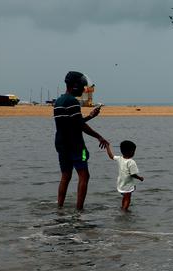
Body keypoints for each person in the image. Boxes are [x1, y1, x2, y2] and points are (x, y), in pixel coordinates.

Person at [54, 71, 108, 211]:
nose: (84, 88)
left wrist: (90, 116)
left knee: (65, 176)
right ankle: (79, 210)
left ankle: (59, 207)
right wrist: (99, 136)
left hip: (62, 145)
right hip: (77, 147)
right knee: (84, 175)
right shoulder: (72, 102)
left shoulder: (59, 101)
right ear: (75, 85)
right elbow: (79, 126)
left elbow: (73, 123)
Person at [104, 139, 144, 211]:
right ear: (131, 152)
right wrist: (140, 178)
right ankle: (124, 210)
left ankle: (122, 207)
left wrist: (107, 147)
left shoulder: (120, 158)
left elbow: (111, 156)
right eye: (134, 151)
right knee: (128, 198)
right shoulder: (131, 162)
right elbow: (133, 174)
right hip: (127, 184)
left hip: (121, 182)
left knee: (125, 197)